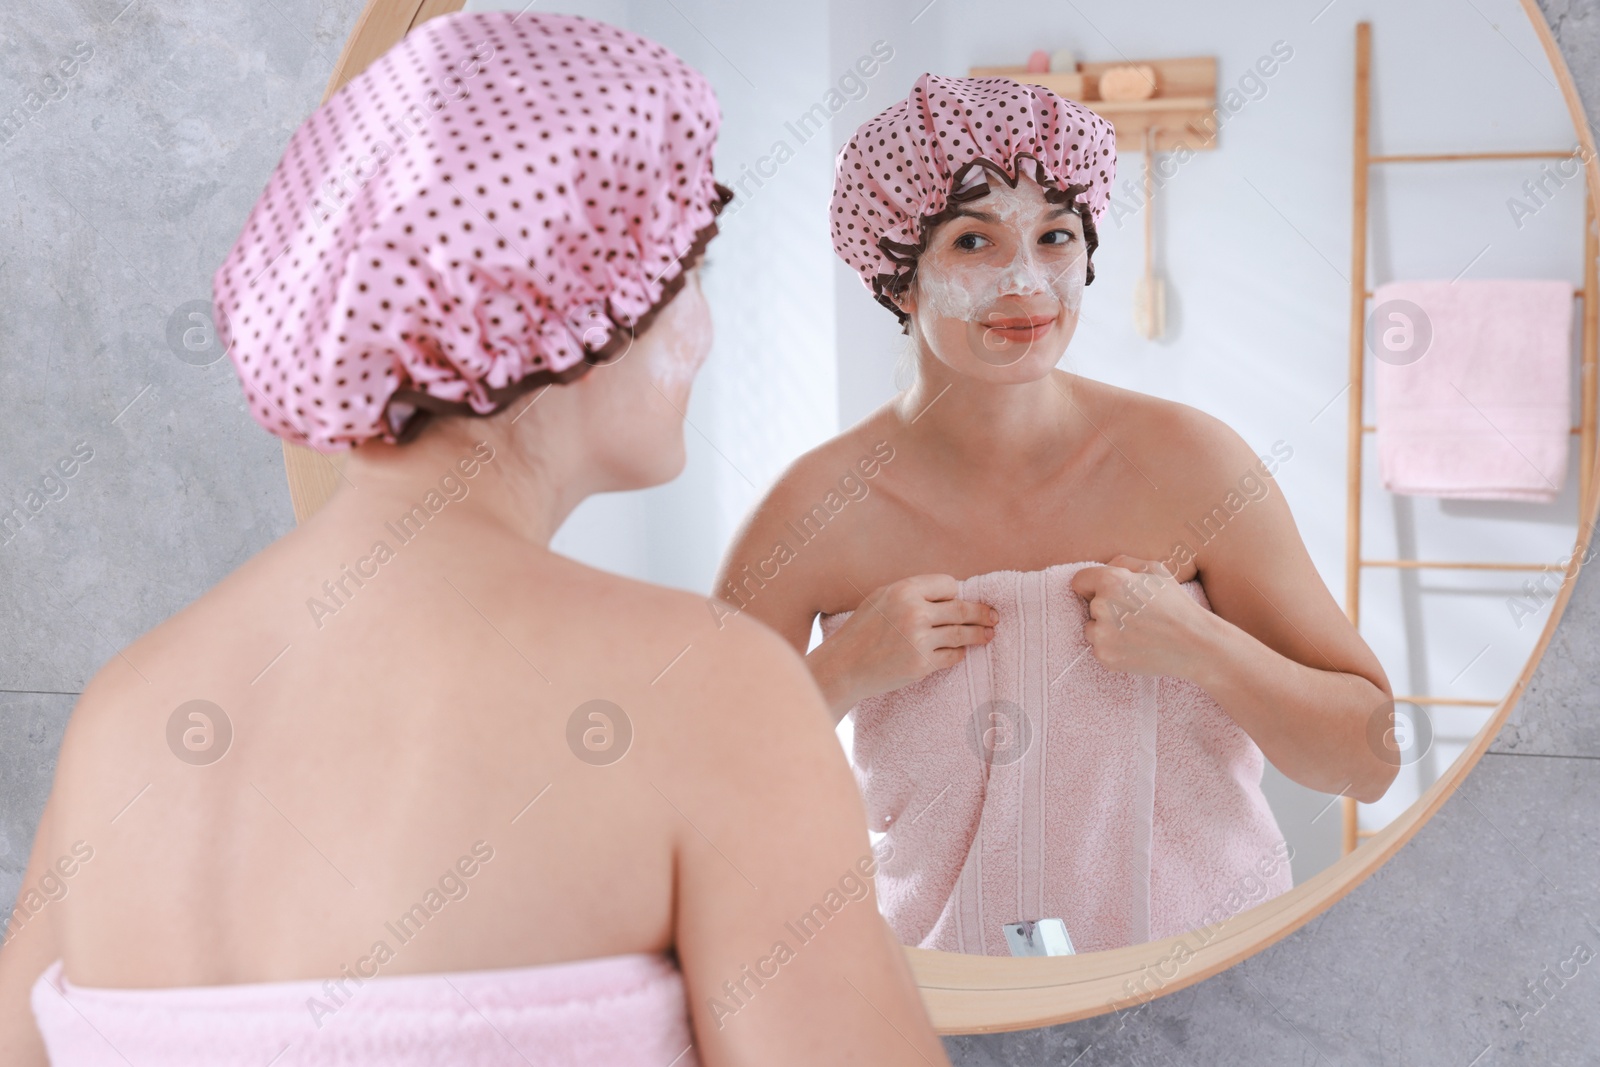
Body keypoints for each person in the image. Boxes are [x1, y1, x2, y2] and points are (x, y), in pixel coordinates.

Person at [0, 12, 950, 1065]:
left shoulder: (125, 715)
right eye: (691, 277)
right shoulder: (703, 688)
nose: (705, 331)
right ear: (586, 309)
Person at [714, 73, 1396, 955]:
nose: (1026, 282)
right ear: (899, 277)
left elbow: (1372, 757)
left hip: (1212, 989)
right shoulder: (813, 510)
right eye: (973, 240)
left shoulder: (1193, 464)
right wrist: (839, 671)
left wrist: (1204, 648)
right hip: (953, 1001)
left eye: (1055, 237)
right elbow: (696, 789)